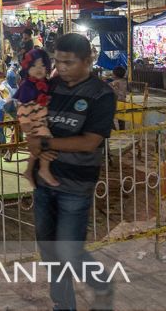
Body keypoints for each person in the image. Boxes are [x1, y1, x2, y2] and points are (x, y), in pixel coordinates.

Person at [26, 32, 116, 310]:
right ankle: (63, 305)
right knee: (50, 249)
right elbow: (33, 120)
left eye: (68, 62)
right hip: (44, 182)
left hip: (76, 185)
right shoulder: (50, 87)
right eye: (57, 61)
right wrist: (36, 149)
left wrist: (47, 144)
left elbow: (90, 141)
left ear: (88, 60)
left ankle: (101, 283)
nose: (61, 68)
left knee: (68, 249)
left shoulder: (101, 94)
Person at [15, 48, 58, 187]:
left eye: (42, 65)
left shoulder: (45, 83)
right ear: (27, 68)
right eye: (34, 66)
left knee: (40, 146)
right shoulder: (27, 86)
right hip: (33, 120)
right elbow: (23, 107)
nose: (39, 69)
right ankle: (44, 169)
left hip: (41, 118)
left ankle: (29, 170)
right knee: (47, 140)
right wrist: (25, 124)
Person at [110, 66, 128, 131]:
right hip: (123, 102)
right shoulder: (124, 81)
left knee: (109, 117)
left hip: (116, 102)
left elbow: (107, 86)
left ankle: (115, 131)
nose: (112, 74)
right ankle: (122, 131)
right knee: (121, 119)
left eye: (113, 73)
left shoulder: (114, 83)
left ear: (115, 75)